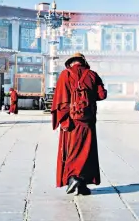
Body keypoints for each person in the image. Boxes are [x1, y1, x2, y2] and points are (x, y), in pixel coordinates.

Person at [51, 52, 107, 196]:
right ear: (83, 62)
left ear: (71, 63)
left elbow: (59, 100)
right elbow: (102, 95)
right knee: (87, 152)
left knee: (71, 150)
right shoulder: (92, 75)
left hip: (71, 120)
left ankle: (74, 178)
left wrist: (63, 120)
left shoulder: (65, 75)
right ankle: (81, 182)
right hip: (87, 120)